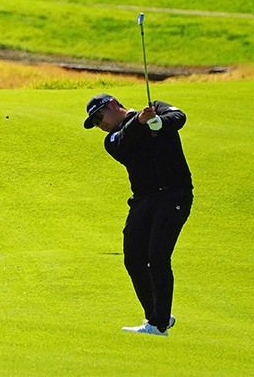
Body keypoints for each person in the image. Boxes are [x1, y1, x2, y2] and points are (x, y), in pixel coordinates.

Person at [84, 92, 194, 336]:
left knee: (158, 256)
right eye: (94, 122)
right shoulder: (112, 139)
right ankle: (156, 315)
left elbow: (179, 116)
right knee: (133, 258)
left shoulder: (155, 110)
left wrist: (159, 122)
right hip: (143, 199)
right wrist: (142, 121)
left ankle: (159, 324)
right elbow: (124, 141)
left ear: (113, 104)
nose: (99, 123)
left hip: (174, 194)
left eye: (100, 116)